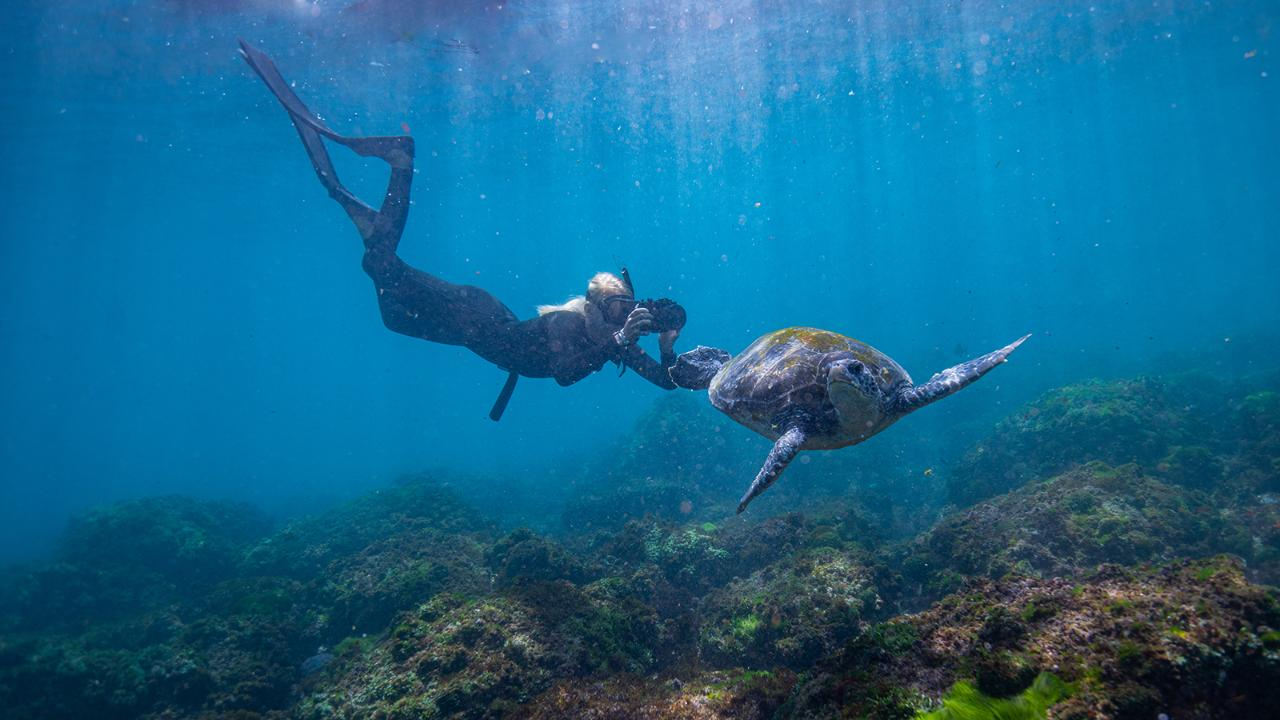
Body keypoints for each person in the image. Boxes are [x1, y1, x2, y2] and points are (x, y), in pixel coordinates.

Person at [238, 41, 685, 420]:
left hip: (476, 330)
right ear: (591, 307)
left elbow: (666, 383)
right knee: (381, 265)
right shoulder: (570, 325)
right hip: (474, 315)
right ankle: (398, 161)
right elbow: (565, 375)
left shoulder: (614, 344)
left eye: (625, 310)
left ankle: (365, 212)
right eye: (614, 309)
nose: (620, 318)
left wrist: (666, 347)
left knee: (391, 311)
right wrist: (620, 340)